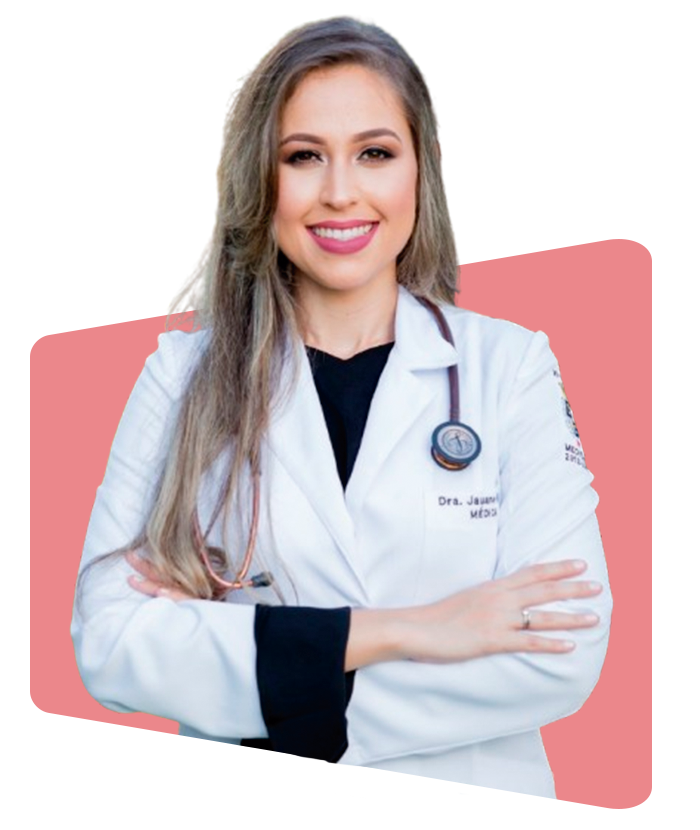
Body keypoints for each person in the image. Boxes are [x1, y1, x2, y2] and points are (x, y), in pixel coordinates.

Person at [71, 15, 612, 806]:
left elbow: (561, 647)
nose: (339, 192)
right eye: (303, 156)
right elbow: (113, 642)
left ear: (419, 170)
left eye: (374, 153)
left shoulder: (510, 368)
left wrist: (266, 690)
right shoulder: (180, 377)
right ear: (262, 177)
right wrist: (410, 629)